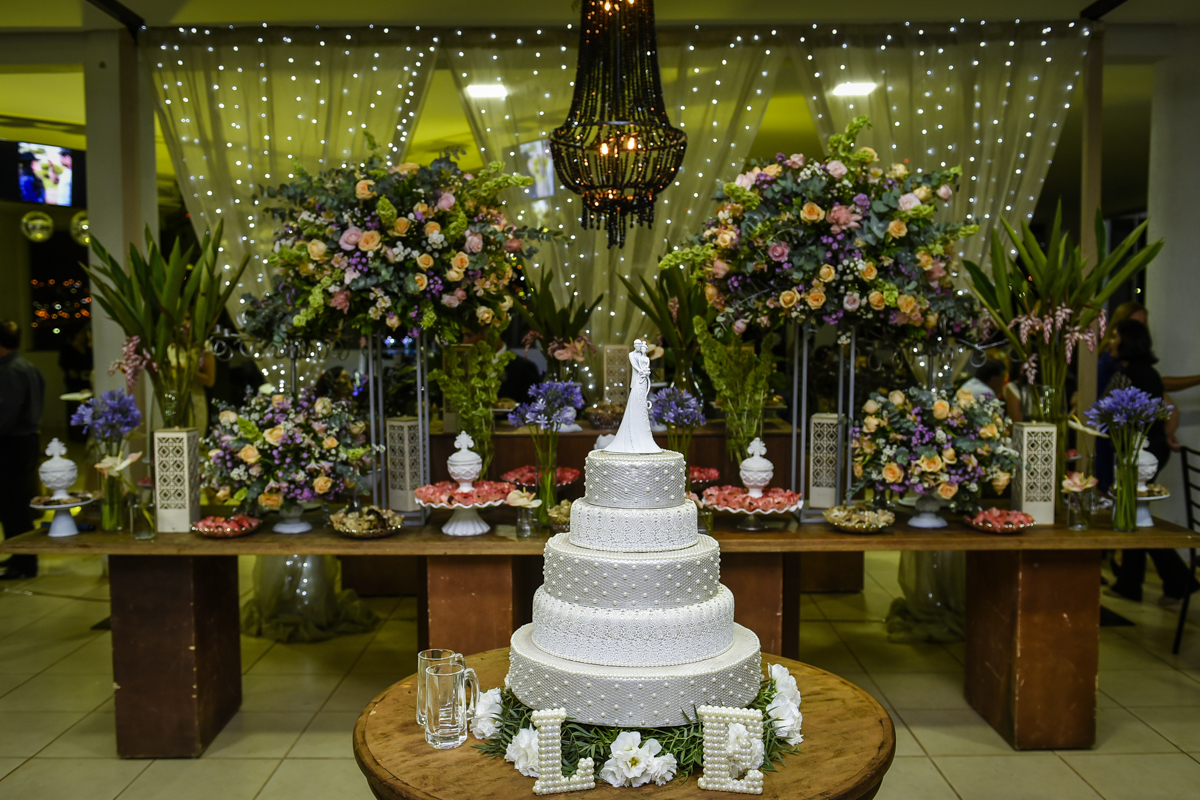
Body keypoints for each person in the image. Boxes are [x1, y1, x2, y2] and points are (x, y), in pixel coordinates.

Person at [1104, 319, 1198, 605]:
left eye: (1115, 336)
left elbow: (1114, 415)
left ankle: (1176, 580)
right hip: (1148, 449)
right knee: (1134, 515)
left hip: (1140, 452)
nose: (1111, 341)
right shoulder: (1147, 373)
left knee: (1135, 515)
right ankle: (1134, 583)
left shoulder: (1131, 375)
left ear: (1127, 342)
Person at [0, 320, 46, 579]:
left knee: (14, 505)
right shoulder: (26, 366)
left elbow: (6, 412)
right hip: (25, 440)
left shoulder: (10, 371)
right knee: (16, 503)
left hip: (12, 443)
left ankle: (24, 563)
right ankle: (19, 554)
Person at [606, 339, 661, 454]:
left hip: (644, 379)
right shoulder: (631, 354)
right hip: (638, 380)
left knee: (642, 402)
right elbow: (634, 365)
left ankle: (642, 434)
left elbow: (647, 368)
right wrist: (642, 371)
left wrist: (646, 372)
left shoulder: (645, 357)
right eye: (636, 345)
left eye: (639, 345)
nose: (638, 347)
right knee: (635, 400)